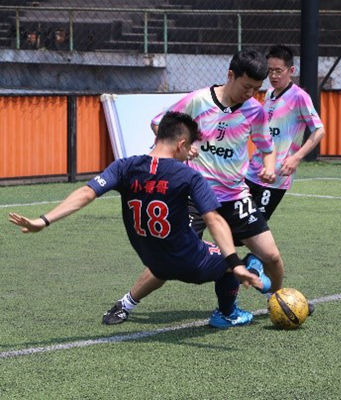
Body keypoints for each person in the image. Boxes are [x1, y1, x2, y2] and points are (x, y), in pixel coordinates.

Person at [8, 111, 270, 329]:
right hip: (190, 262)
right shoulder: (189, 176)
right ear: (181, 144)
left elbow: (86, 193)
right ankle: (227, 313)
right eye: (190, 147)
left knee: (175, 256)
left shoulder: (124, 167)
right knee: (236, 262)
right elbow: (214, 219)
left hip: (153, 260)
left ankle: (126, 303)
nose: (191, 153)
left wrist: (43, 220)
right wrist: (234, 263)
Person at [122, 49, 285, 316]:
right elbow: (158, 124)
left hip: (234, 196)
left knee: (272, 256)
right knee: (169, 260)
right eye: (246, 86)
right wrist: (182, 145)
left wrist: (269, 167)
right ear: (230, 75)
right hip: (193, 196)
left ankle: (278, 302)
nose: (250, 94)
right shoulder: (198, 101)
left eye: (256, 89)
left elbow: (267, 148)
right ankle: (126, 303)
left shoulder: (255, 111)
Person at [246, 44, 325, 220]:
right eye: (270, 71)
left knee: (254, 224)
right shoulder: (269, 94)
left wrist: (296, 158)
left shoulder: (299, 97)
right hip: (254, 169)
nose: (273, 76)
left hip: (277, 175)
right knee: (238, 220)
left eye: (278, 71)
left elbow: (319, 130)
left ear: (291, 70)